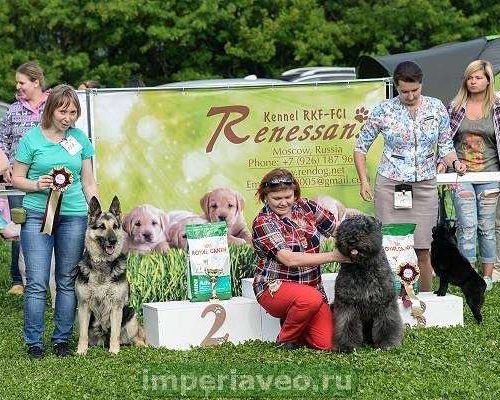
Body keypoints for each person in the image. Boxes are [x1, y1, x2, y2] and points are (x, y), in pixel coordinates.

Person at [353, 61, 466, 292]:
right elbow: (360, 148)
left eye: (415, 90)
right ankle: (389, 299)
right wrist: (364, 180)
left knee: (424, 248)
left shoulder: (436, 107)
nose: (410, 96)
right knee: (391, 247)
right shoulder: (383, 109)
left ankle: (424, 300)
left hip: (425, 185)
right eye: (404, 91)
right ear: (396, 87)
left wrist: (455, 163)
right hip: (390, 185)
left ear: (421, 84)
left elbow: (445, 146)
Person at [12, 84, 98, 359]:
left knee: (66, 279)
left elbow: (89, 182)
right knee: (37, 281)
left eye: (73, 113)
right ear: (50, 110)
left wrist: (97, 211)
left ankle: (62, 339)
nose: (68, 118)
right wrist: (36, 184)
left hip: (74, 216)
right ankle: (34, 342)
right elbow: (16, 178)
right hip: (37, 216)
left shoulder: (80, 140)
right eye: (63, 112)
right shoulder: (31, 140)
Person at [252, 168, 350, 351]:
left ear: (295, 193)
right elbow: (289, 259)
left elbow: (336, 230)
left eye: (288, 197)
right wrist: (334, 256)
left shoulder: (307, 207)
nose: (283, 202)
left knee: (328, 344)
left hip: (312, 288)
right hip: (274, 287)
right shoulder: (263, 221)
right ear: (266, 196)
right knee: (309, 298)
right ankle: (286, 339)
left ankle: (299, 319)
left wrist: (360, 236)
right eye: (276, 198)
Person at [443, 60, 500, 291]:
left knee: (486, 227)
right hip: (461, 175)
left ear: (488, 80)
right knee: (467, 226)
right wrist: (444, 163)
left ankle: (487, 276)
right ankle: (467, 275)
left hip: (490, 174)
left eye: (478, 77)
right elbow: (444, 140)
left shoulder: (497, 106)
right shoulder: (455, 107)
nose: (473, 82)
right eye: (469, 78)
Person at [0, 61, 50, 296]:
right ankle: (18, 279)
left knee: (48, 225)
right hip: (17, 179)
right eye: (17, 83)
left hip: (49, 179)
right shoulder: (12, 110)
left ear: (36, 82)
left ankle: (47, 278)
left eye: (22, 82)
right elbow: (2, 141)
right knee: (20, 226)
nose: (17, 87)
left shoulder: (53, 105)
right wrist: (4, 166)